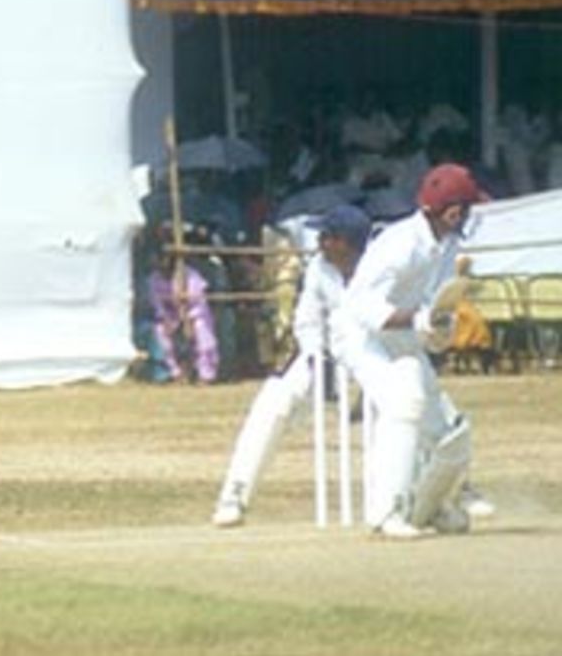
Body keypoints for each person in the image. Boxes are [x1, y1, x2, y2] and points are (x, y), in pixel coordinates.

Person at [337, 163, 487, 539]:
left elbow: (431, 305)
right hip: (361, 337)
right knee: (404, 402)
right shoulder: (399, 243)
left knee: (452, 435)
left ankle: (428, 506)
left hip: (401, 336)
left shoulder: (448, 243)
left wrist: (438, 327)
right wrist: (418, 319)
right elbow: (364, 306)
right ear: (452, 210)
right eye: (466, 208)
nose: (467, 216)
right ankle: (385, 512)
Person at [212, 205, 372, 527]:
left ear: (349, 243)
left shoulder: (379, 269)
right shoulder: (318, 267)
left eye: (329, 236)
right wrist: (317, 359)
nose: (321, 241)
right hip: (325, 355)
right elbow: (307, 320)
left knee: (410, 407)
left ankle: (446, 492)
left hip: (372, 355)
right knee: (273, 402)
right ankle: (236, 494)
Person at [147, 235, 218, 383]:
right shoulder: (154, 278)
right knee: (159, 333)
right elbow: (156, 303)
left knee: (202, 332)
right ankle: (175, 372)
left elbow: (199, 301)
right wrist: (165, 319)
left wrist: (189, 318)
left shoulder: (190, 275)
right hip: (171, 316)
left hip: (195, 315)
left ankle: (206, 374)